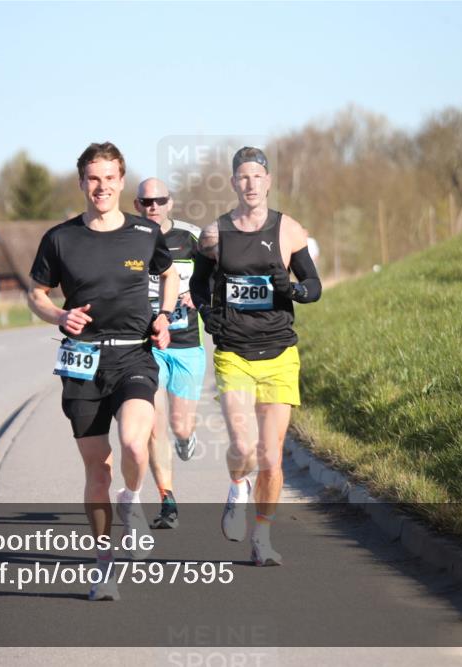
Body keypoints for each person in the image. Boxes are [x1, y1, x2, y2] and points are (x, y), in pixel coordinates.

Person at [27, 142, 179, 601]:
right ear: (82, 183)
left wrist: (164, 315)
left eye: (110, 178)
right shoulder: (60, 239)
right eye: (94, 178)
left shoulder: (143, 233)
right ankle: (102, 567)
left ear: (121, 181)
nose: (102, 187)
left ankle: (131, 502)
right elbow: (36, 292)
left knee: (135, 441)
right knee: (98, 471)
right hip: (82, 361)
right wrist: (58, 316)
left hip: (133, 354)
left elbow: (170, 274)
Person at [189, 147, 322, 566]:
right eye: (242, 177)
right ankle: (235, 486)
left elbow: (313, 285)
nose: (250, 184)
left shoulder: (289, 231)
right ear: (233, 183)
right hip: (235, 353)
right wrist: (208, 314)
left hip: (280, 353)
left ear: (268, 181)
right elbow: (197, 284)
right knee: (243, 446)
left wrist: (293, 290)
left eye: (257, 176)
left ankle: (262, 537)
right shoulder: (215, 235)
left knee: (270, 455)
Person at [133, 178, 205, 530]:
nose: (153, 207)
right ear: (137, 206)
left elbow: (218, 272)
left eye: (159, 200)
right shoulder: (130, 237)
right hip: (149, 346)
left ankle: (187, 435)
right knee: (153, 424)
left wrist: (201, 294)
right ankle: (167, 500)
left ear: (170, 203)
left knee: (179, 424)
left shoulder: (190, 237)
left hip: (187, 343)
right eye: (146, 202)